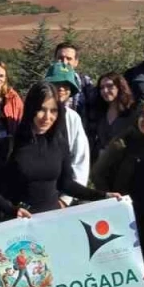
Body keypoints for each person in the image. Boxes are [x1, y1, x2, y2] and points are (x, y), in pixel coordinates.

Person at [0, 82, 114, 219]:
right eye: (41, 109)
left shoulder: (60, 144)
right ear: (31, 109)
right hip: (20, 229)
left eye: (53, 111)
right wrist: (12, 210)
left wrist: (103, 196)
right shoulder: (9, 145)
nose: (47, 117)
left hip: (52, 222)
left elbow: (66, 184)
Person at [93, 99, 144, 250]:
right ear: (136, 117)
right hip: (126, 210)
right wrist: (110, 198)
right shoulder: (121, 143)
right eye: (143, 115)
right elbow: (97, 174)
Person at [44, 63, 92, 196]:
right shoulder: (36, 115)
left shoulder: (73, 118)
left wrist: (66, 199)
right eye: (56, 84)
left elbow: (80, 158)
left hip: (67, 192)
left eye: (66, 86)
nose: (61, 89)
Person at [87, 71, 136, 155]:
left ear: (119, 87)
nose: (105, 91)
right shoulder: (99, 112)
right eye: (102, 87)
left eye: (110, 86)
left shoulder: (131, 112)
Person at [54, 42, 97, 118]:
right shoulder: (47, 83)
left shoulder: (85, 82)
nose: (64, 62)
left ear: (76, 62)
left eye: (69, 58)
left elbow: (94, 109)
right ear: (55, 60)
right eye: (60, 58)